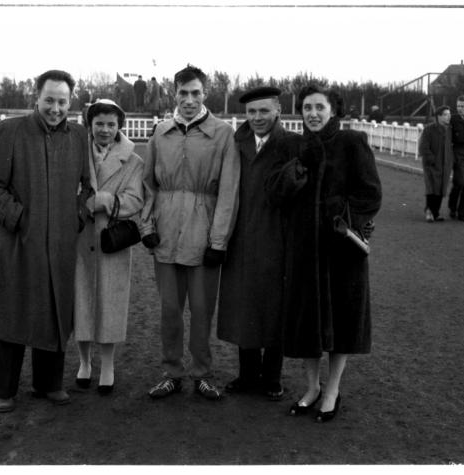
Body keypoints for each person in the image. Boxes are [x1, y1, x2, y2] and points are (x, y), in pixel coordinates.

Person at [265, 85, 382, 422]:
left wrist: (341, 214)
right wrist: (300, 165)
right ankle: (312, 387)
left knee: (342, 320)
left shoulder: (352, 142)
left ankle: (332, 389)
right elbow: (274, 193)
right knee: (307, 321)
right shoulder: (293, 146)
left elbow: (371, 195)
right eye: (306, 107)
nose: (312, 113)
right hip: (302, 249)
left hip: (341, 249)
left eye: (319, 107)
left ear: (334, 110)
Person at [0, 69, 93, 412]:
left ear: (69, 102)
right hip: (19, 242)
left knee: (55, 310)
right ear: (36, 99)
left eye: (62, 101)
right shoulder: (10, 131)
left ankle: (49, 384)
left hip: (60, 243)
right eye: (49, 100)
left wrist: (76, 216)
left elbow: (87, 188)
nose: (55, 108)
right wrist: (20, 220)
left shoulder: (78, 135)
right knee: (12, 313)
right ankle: (5, 389)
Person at [140, 64, 240, 401]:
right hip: (166, 235)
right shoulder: (161, 132)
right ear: (174, 94)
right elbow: (148, 185)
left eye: (195, 93)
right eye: (183, 93)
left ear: (205, 94)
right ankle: (172, 372)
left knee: (201, 310)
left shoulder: (223, 134)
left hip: (204, 236)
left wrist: (218, 240)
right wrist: (147, 224)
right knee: (169, 310)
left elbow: (229, 191)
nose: (189, 100)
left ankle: (201, 373)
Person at [217, 86, 295, 401]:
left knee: (275, 307)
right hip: (242, 236)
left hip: (278, 237)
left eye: (264, 111)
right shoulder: (237, 142)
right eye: (252, 112)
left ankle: (272, 376)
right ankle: (248, 374)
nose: (258, 118)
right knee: (244, 304)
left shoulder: (290, 144)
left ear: (277, 110)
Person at [73, 99, 144, 395]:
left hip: (112, 240)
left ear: (120, 126)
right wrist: (79, 202)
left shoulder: (134, 161)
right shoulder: (76, 154)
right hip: (79, 239)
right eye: (99, 123)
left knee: (109, 304)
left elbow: (136, 200)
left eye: (111, 124)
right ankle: (84, 363)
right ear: (90, 125)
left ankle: (108, 365)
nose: (105, 130)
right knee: (81, 302)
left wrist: (104, 201)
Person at [419, 106, 453, 222]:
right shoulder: (429, 129)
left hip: (445, 163)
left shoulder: (449, 130)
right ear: (438, 116)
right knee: (432, 187)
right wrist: (431, 159)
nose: (448, 116)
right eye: (445, 114)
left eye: (449, 114)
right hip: (432, 163)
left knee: (441, 187)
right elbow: (423, 146)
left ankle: (436, 212)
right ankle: (429, 211)